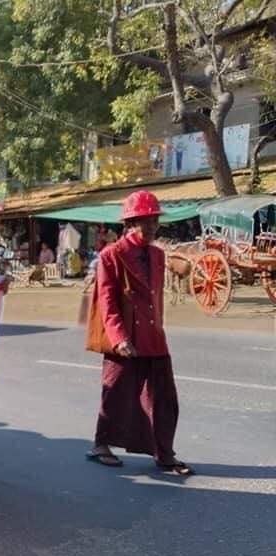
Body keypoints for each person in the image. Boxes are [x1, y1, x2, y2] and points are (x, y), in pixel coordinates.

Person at [87, 191, 193, 476]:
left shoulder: (158, 254)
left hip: (154, 336)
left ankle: (165, 453)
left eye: (154, 221)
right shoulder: (111, 255)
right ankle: (100, 444)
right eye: (144, 221)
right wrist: (119, 337)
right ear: (130, 223)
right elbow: (107, 301)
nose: (151, 227)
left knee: (163, 397)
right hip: (124, 337)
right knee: (116, 393)